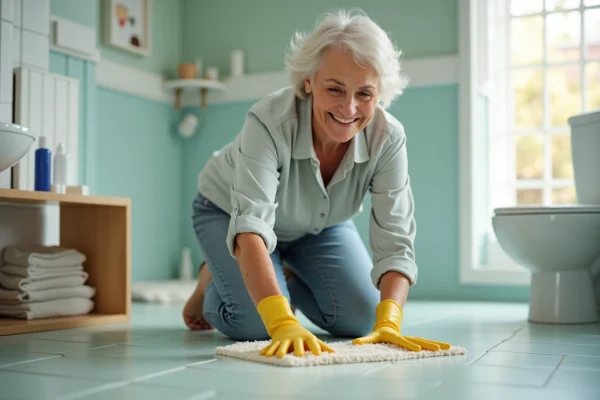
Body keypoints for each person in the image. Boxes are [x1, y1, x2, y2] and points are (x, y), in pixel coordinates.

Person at [183, 9, 450, 358]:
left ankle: (283, 272)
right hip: (228, 213)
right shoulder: (268, 121)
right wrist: (280, 322)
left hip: (319, 225)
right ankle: (212, 278)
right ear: (309, 81)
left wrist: (389, 323)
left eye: (365, 94)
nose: (349, 108)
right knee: (255, 324)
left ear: (380, 92)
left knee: (364, 317)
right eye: (335, 89)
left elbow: (396, 240)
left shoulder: (389, 138)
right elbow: (249, 226)